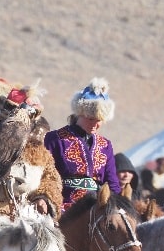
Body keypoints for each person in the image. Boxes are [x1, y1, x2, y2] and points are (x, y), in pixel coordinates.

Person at [44, 77, 121, 211]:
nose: (95, 125)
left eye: (100, 120)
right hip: (60, 206)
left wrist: (116, 205)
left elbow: (112, 182)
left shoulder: (105, 145)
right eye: (91, 119)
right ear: (80, 114)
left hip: (96, 209)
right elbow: (44, 173)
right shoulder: (55, 139)